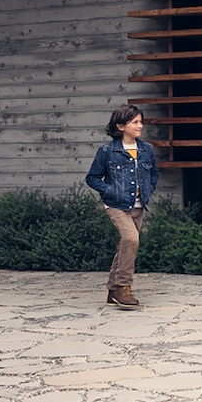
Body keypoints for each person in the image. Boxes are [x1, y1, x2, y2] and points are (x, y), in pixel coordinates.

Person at [85, 104, 159, 309]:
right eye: (134, 122)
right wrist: (110, 191)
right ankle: (123, 287)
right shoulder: (107, 151)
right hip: (116, 205)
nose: (140, 126)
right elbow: (92, 178)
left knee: (126, 245)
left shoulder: (147, 150)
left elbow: (153, 174)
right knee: (131, 239)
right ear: (120, 126)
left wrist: (148, 190)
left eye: (141, 121)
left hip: (138, 205)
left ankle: (112, 291)